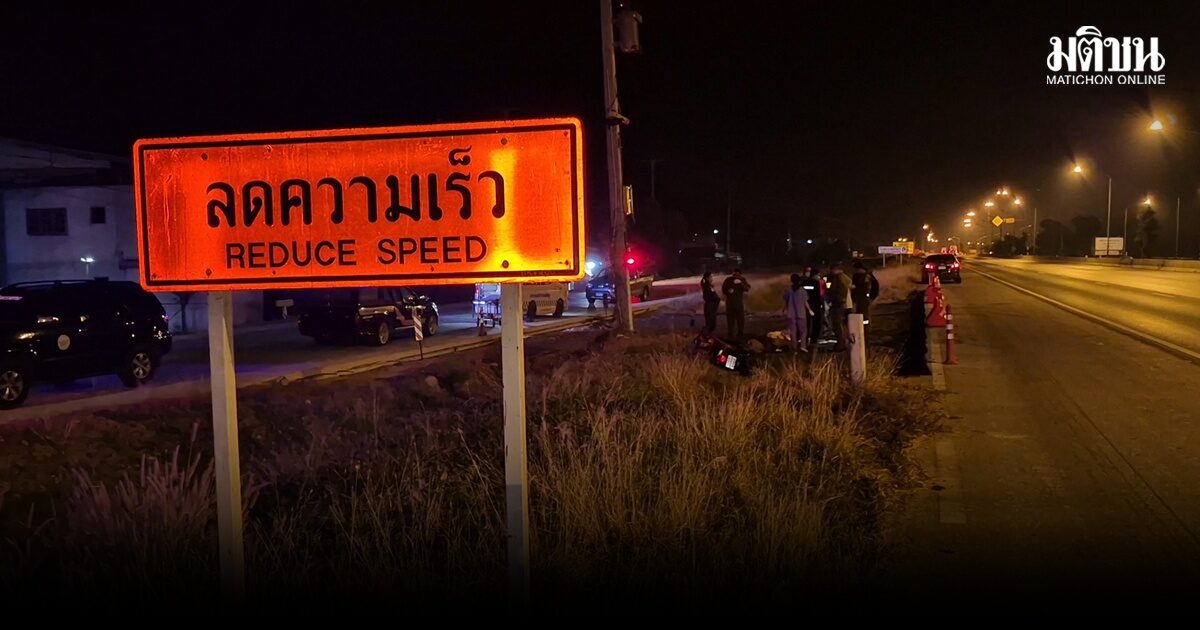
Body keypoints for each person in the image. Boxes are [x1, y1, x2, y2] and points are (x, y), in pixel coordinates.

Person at [783, 273, 814, 353]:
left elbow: (786, 301)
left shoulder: (788, 290)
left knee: (793, 332)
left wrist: (784, 309)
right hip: (801, 313)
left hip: (791, 313)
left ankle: (794, 348)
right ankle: (803, 346)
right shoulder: (802, 291)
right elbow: (805, 302)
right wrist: (810, 310)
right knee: (803, 331)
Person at [827, 264, 853, 351]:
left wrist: (834, 300)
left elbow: (836, 292)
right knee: (843, 324)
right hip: (845, 304)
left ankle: (841, 344)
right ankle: (844, 342)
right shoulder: (845, 277)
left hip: (839, 305)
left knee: (837, 324)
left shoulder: (838, 278)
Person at [721, 268, 751, 340]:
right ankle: (730, 335)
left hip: (739, 303)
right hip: (730, 303)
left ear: (740, 275)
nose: (736, 277)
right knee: (730, 320)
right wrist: (728, 291)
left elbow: (747, 288)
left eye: (738, 275)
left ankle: (740, 334)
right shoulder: (728, 280)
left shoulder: (742, 280)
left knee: (740, 320)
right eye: (735, 275)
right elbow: (724, 289)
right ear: (733, 274)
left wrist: (741, 283)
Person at [802, 267, 824, 346]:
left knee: (806, 324)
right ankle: (814, 340)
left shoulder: (804, 282)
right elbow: (819, 295)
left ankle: (805, 339)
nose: (819, 277)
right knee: (816, 324)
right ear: (815, 275)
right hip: (816, 306)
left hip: (806, 306)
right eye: (818, 275)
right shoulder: (816, 283)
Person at [851, 261, 878, 326]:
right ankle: (862, 326)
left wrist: (872, 297)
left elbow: (874, 286)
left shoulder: (866, 276)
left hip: (863, 298)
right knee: (861, 313)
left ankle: (865, 327)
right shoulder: (858, 276)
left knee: (864, 314)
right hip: (860, 298)